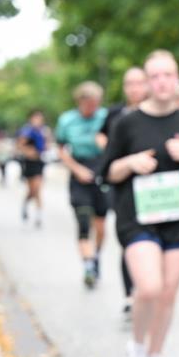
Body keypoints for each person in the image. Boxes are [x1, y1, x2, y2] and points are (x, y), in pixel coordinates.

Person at [100, 50, 179, 357]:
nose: (162, 82)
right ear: (145, 83)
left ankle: (156, 356)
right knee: (150, 287)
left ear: (178, 79)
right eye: (154, 76)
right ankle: (136, 347)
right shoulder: (127, 122)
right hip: (137, 217)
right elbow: (107, 171)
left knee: (168, 293)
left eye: (168, 75)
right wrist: (130, 163)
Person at [97, 66, 150, 322]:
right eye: (130, 84)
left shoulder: (158, 112)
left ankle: (148, 291)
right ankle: (130, 294)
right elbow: (101, 136)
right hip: (124, 187)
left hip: (154, 188)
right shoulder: (116, 114)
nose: (135, 89)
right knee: (130, 241)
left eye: (139, 83)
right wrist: (115, 150)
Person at [55, 81, 109, 288]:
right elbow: (61, 149)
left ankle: (96, 256)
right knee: (84, 222)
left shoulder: (104, 117)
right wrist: (76, 169)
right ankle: (88, 265)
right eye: (89, 104)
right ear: (80, 102)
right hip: (79, 172)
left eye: (95, 104)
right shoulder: (67, 120)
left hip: (101, 170)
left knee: (101, 226)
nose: (92, 108)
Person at [17, 110, 48, 228]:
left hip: (39, 162)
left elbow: (45, 145)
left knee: (38, 189)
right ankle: (25, 204)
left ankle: (39, 215)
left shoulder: (43, 131)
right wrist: (29, 152)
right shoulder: (27, 131)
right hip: (29, 163)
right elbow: (20, 145)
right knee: (32, 190)